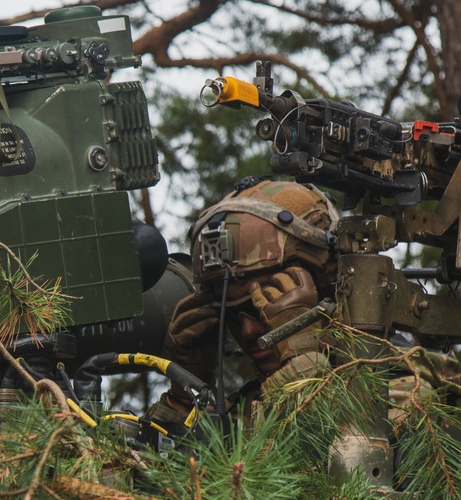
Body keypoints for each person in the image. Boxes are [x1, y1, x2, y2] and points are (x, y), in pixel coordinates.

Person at [146, 176, 340, 429]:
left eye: (266, 304)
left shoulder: (394, 388)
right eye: (231, 314)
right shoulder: (242, 411)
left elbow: (326, 454)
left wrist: (304, 361)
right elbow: (168, 468)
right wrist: (185, 397)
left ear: (324, 286)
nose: (248, 331)